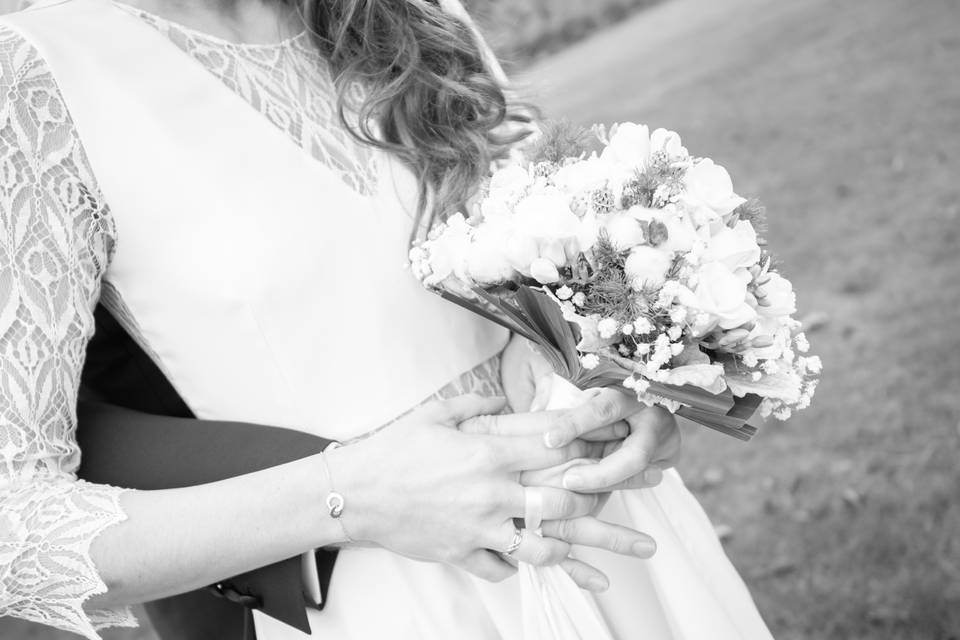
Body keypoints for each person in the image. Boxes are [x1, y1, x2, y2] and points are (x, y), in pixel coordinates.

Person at [0, 1, 772, 639]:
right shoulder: (40, 77)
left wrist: (612, 383)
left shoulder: (416, 17)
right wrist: (354, 495)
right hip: (394, 596)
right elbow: (17, 529)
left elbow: (532, 278)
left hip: (621, 539)